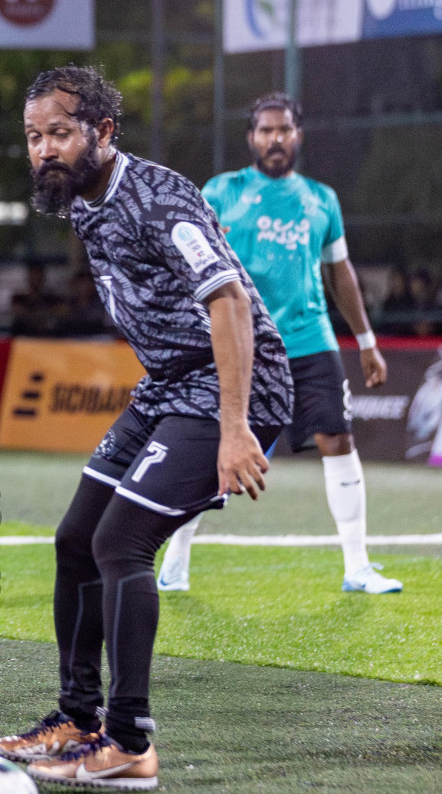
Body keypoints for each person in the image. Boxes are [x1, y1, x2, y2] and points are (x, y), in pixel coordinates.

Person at [0, 66, 292, 791]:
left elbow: (229, 303)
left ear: (104, 131)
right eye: (34, 137)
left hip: (226, 386)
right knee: (75, 541)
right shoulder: (81, 201)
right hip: (167, 387)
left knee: (121, 542)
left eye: (60, 132)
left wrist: (233, 426)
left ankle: (129, 743)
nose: (45, 150)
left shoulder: (159, 199)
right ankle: (77, 719)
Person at [157, 93, 402, 596]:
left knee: (339, 440)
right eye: (265, 131)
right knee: (214, 452)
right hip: (242, 346)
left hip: (311, 340)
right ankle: (176, 560)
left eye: (284, 130)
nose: (275, 139)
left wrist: (367, 340)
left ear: (298, 135)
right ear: (251, 138)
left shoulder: (321, 199)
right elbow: (189, 261)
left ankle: (357, 566)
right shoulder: (221, 192)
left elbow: (339, 270)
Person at [10, 260, 65, 336]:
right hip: (24, 340)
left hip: (47, 340)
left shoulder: (52, 298)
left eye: (38, 275)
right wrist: (44, 315)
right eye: (33, 275)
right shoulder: (19, 298)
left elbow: (60, 311)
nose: (36, 278)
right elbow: (20, 312)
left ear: (43, 277)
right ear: (29, 277)